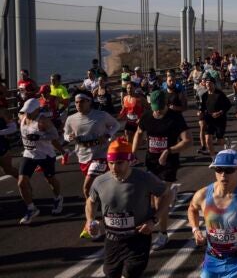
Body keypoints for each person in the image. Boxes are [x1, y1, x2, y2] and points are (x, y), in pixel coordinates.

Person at [86, 139, 170, 278]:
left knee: (132, 272)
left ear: (129, 161)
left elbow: (168, 194)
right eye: (111, 163)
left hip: (138, 237)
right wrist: (90, 220)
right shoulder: (100, 181)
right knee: (111, 274)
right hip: (112, 239)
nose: (114, 168)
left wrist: (153, 220)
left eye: (119, 163)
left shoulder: (144, 178)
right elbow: (91, 201)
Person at [187, 149, 237, 278]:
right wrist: (195, 230)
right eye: (218, 169)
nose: (223, 175)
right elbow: (192, 208)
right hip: (212, 260)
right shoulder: (202, 195)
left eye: (229, 170)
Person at [131, 90, 191, 250]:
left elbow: (187, 141)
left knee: (159, 200)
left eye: (160, 107)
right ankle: (171, 194)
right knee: (151, 198)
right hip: (151, 162)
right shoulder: (147, 116)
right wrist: (132, 153)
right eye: (155, 107)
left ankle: (163, 234)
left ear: (166, 104)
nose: (157, 111)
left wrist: (169, 150)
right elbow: (138, 133)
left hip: (169, 162)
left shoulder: (175, 118)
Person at [64, 91, 121, 237]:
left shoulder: (101, 115)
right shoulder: (71, 119)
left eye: (82, 101)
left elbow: (115, 125)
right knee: (96, 189)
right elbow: (65, 133)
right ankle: (106, 209)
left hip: (100, 156)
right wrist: (69, 137)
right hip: (83, 156)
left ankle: (90, 222)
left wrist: (107, 136)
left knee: (87, 186)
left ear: (89, 101)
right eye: (76, 102)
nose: (79, 104)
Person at [17, 98, 64, 224]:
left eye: (30, 111)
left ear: (37, 109)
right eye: (25, 111)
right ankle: (31, 208)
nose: (27, 113)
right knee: (21, 182)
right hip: (29, 154)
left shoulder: (43, 121)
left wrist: (40, 136)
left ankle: (58, 198)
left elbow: (54, 136)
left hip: (45, 155)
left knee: (50, 180)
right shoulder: (22, 117)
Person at [199, 74, 233, 158]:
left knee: (219, 141)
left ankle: (225, 141)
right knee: (207, 140)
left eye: (210, 83)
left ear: (214, 84)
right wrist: (200, 112)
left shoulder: (220, 94)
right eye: (206, 83)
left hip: (220, 120)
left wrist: (220, 112)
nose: (208, 84)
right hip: (209, 120)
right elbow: (202, 107)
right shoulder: (204, 96)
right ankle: (214, 159)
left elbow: (228, 105)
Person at [0, 108, 19, 179]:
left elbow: (13, 127)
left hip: (2, 147)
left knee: (8, 170)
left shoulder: (2, 112)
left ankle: (23, 182)